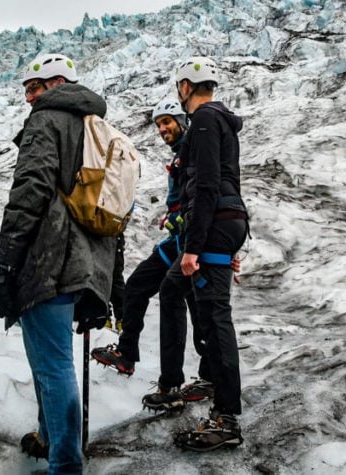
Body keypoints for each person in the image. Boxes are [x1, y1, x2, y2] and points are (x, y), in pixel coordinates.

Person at [0, 53, 115, 474]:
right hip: (86, 262)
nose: (28, 97)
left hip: (49, 261)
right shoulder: (98, 126)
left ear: (55, 83)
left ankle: (64, 463)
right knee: (52, 359)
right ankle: (49, 437)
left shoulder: (46, 121)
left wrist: (5, 263)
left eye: (32, 87)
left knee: (54, 363)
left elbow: (30, 192)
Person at [146, 58, 249, 452]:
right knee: (173, 291)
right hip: (221, 222)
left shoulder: (204, 119)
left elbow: (205, 184)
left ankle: (226, 417)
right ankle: (174, 383)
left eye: (179, 87)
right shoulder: (217, 119)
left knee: (215, 314)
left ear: (186, 86)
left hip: (213, 225)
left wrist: (194, 247)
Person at [92, 98, 213, 405]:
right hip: (177, 243)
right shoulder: (180, 155)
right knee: (139, 288)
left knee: (192, 308)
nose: (162, 129)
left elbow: (201, 195)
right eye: (159, 124)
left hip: (191, 245)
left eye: (167, 122)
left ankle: (198, 380)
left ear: (182, 122)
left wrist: (181, 219)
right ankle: (128, 353)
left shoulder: (193, 151)